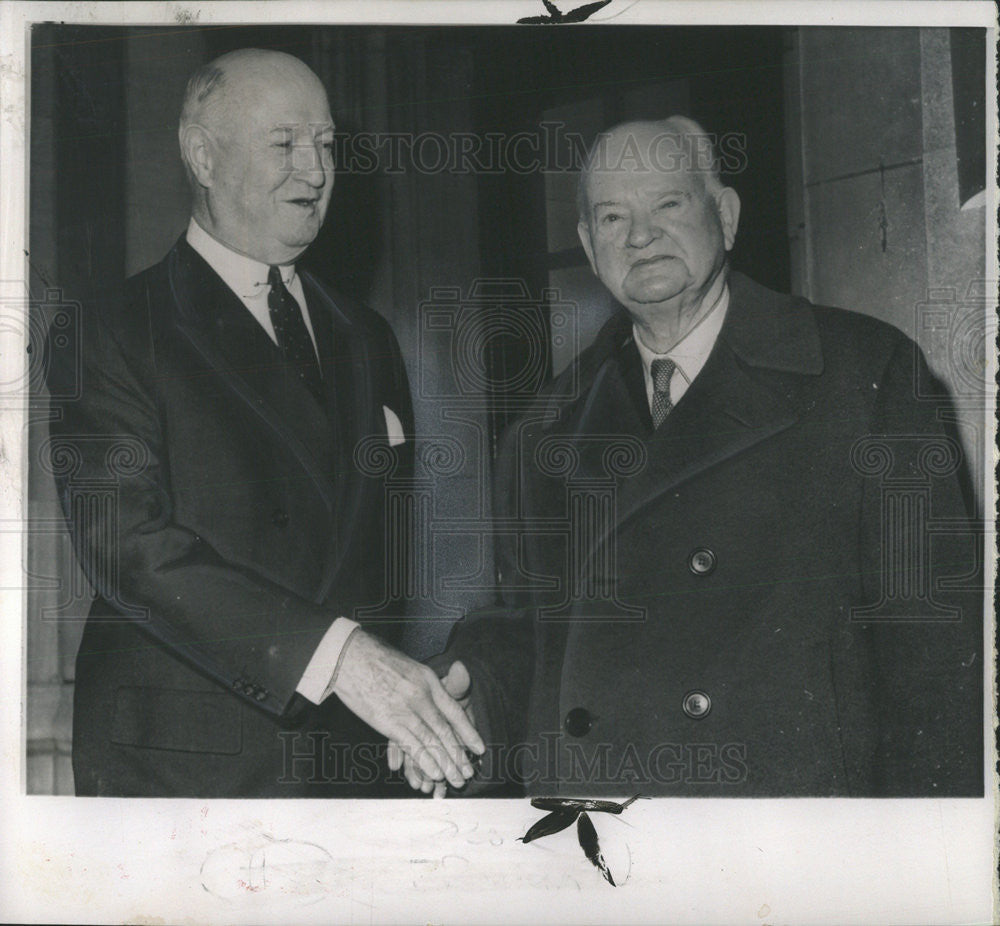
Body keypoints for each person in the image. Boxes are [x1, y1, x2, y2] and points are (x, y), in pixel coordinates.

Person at [402, 116, 982, 797]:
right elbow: (537, 630)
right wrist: (478, 689)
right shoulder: (544, 430)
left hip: (791, 847)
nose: (640, 235)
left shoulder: (864, 375)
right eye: (613, 216)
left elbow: (940, 664)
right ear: (590, 247)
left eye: (668, 204)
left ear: (727, 216)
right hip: (607, 841)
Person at [45, 48, 482, 797]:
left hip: (349, 761)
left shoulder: (365, 336)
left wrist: (415, 704)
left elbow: (372, 572)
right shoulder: (110, 328)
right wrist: (343, 659)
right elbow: (129, 550)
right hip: (187, 772)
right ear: (203, 156)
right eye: (284, 144)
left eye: (327, 145)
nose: (314, 172)